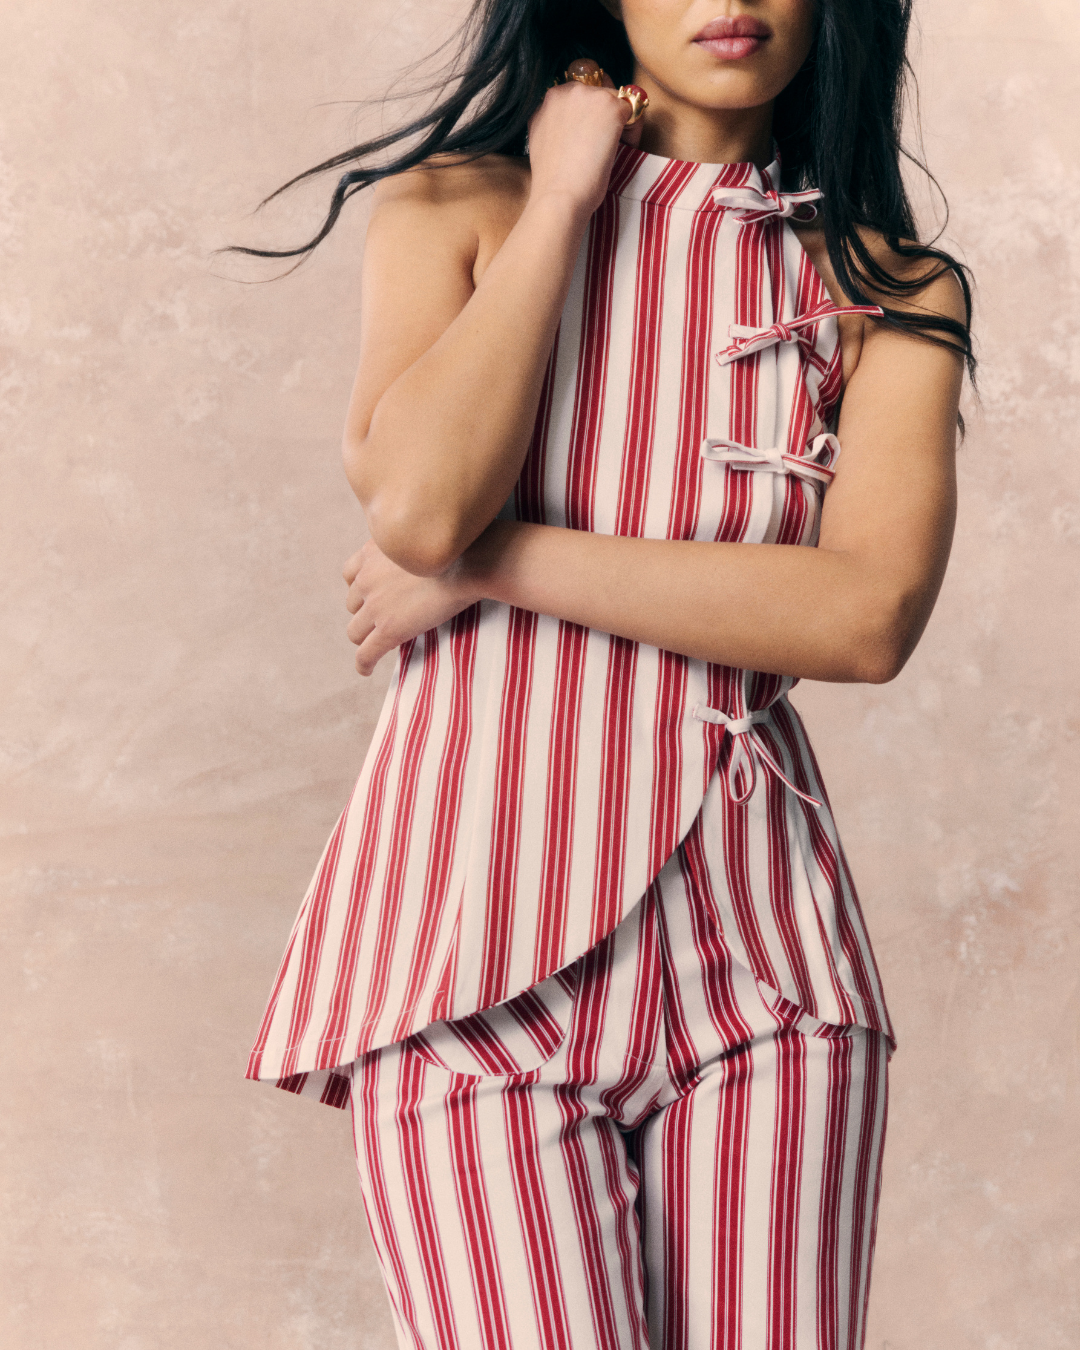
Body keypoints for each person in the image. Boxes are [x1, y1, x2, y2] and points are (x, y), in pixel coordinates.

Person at [243, 2, 973, 1346]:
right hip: (465, 962)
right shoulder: (460, 205)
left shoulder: (892, 285)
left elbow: (866, 617)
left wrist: (495, 564)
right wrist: (565, 196)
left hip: (764, 970)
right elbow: (419, 509)